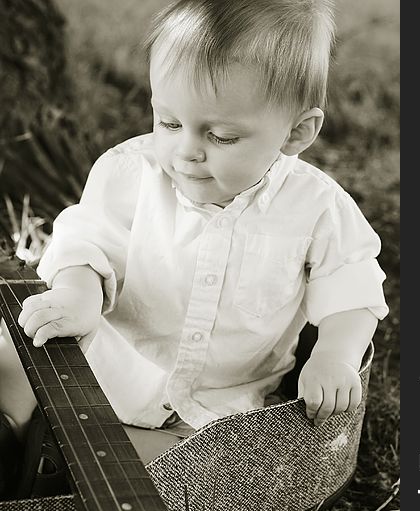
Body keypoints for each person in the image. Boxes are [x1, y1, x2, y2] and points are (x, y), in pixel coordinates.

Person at [1, 0, 388, 476]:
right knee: (13, 348)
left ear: (297, 132)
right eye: (168, 122)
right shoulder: (130, 172)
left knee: (191, 473)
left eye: (221, 137)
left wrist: (334, 355)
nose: (186, 151)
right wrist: (77, 294)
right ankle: (13, 428)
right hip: (104, 359)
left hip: (213, 407)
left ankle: (60, 456)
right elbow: (86, 243)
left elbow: (352, 288)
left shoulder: (318, 207)